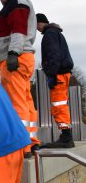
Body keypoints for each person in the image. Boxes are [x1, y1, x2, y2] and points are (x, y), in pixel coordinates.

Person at [0, 0, 40, 156]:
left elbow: (18, 28)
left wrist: (13, 52)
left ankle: (21, 146)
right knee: (26, 101)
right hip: (23, 58)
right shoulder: (18, 3)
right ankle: (31, 141)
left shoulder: (17, 2)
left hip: (15, 59)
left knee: (17, 102)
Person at [36, 13, 75, 148]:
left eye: (36, 25)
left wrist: (51, 74)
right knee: (61, 104)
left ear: (40, 22)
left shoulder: (49, 34)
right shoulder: (55, 33)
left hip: (58, 74)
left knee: (58, 105)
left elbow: (54, 54)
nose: (36, 29)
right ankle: (66, 135)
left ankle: (66, 137)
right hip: (62, 73)